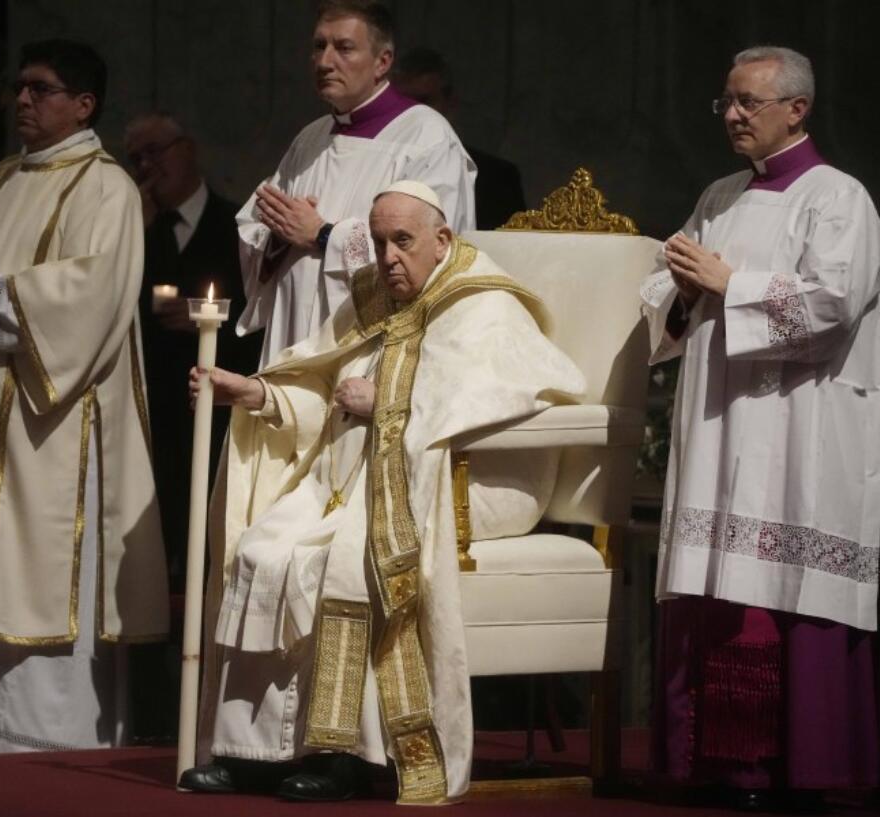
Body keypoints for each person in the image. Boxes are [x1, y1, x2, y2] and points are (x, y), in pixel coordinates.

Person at [180, 181, 585, 803]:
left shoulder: (484, 307)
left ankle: (345, 754)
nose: (388, 256)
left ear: (442, 240)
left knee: (341, 562)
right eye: (377, 241)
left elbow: (515, 396)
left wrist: (393, 400)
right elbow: (325, 391)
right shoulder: (374, 297)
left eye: (403, 241)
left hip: (471, 481)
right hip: (353, 477)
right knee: (263, 547)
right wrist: (261, 395)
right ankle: (254, 752)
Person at [0, 39, 170, 755]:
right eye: (19, 87)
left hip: (46, 436)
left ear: (84, 105)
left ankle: (41, 749)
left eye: (41, 89)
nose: (22, 100)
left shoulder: (105, 186)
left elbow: (93, 298)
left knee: (36, 581)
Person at [640, 46, 880, 811]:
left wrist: (729, 284)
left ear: (797, 109)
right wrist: (679, 294)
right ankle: (711, 764)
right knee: (714, 581)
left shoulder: (839, 199)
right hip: (718, 423)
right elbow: (662, 285)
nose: (733, 116)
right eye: (727, 103)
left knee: (774, 584)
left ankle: (784, 767)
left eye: (747, 102)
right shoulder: (718, 195)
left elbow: (834, 302)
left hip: (794, 431)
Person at [236, 0, 476, 368]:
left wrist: (323, 236)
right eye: (319, 46)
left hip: (369, 348)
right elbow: (258, 228)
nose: (324, 61)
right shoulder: (310, 140)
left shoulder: (427, 138)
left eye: (343, 47)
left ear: (383, 62)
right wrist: (275, 238)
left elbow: (433, 254)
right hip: (294, 336)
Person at [124, 111, 260, 566]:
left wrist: (210, 318)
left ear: (188, 150)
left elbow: (257, 314)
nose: (145, 166)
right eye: (135, 157)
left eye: (154, 152)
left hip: (215, 405)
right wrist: (133, 234)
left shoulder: (238, 228)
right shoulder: (134, 231)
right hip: (151, 408)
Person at [393, 47, 527, 231]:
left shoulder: (498, 179)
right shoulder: (382, 165)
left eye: (424, 101)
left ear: (451, 103)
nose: (415, 113)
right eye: (404, 103)